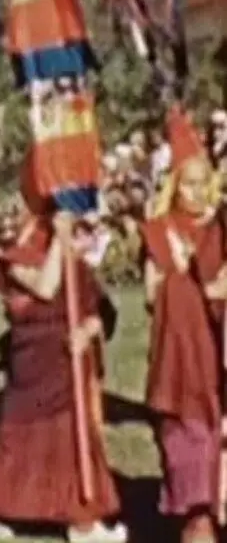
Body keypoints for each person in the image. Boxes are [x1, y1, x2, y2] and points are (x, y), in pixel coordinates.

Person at [0, 204, 127, 542]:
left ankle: (81, 519)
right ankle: (5, 510)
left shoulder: (73, 261)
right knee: (21, 437)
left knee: (71, 436)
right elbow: (46, 288)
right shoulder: (13, 260)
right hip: (33, 359)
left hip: (69, 358)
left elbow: (101, 310)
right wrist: (61, 243)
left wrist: (88, 330)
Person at [141, 107, 225, 543]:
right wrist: (179, 273)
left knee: (214, 437)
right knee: (185, 438)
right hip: (178, 351)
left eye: (201, 182)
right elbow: (152, 295)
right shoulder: (160, 230)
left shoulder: (220, 228)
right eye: (186, 183)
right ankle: (195, 517)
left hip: (214, 350)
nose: (195, 192)